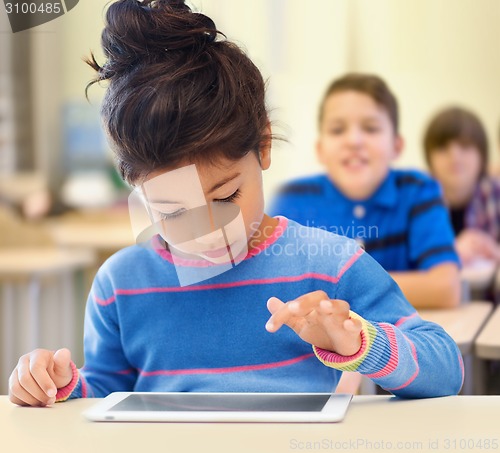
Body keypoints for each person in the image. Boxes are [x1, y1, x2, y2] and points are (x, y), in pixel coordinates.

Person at [8, 0, 463, 407]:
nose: (206, 231)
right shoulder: (120, 284)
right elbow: (106, 391)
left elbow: (447, 371)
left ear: (263, 145)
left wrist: (359, 344)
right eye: (171, 211)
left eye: (225, 197)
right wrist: (59, 386)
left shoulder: (329, 264)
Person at [269, 73, 461, 310]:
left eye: (371, 128)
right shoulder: (291, 200)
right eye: (338, 130)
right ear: (320, 150)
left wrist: (335, 289)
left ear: (396, 146)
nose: (354, 140)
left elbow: (445, 288)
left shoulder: (419, 191)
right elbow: (272, 289)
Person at [423, 106, 500, 266]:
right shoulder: (419, 200)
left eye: (465, 146)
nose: (454, 156)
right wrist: (451, 252)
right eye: (442, 148)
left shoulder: (495, 193)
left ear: (482, 154)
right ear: (429, 158)